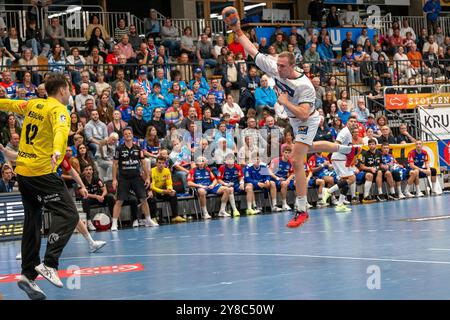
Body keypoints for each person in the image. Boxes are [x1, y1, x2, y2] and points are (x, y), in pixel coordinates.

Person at [223, 7, 360, 227]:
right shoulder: (276, 68)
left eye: (282, 66)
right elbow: (252, 51)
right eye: (277, 64)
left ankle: (302, 209)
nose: (278, 69)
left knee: (297, 159)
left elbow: (304, 113)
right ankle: (345, 149)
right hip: (295, 120)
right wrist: (238, 31)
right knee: (310, 147)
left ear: (292, 66)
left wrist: (285, 102)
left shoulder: (304, 86)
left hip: (307, 119)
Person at [0, 74, 86, 299]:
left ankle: (27, 275)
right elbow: (60, 132)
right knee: (69, 215)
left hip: (24, 173)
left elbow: (9, 103)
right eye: (69, 90)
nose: (70, 94)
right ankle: (49, 263)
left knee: (32, 221)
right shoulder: (59, 110)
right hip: (41, 172)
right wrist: (58, 150)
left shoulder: (34, 103)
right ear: (62, 90)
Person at [111, 127, 158, 231]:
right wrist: (114, 179)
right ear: (123, 136)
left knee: (143, 199)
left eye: (129, 133)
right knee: (119, 201)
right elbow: (114, 165)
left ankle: (148, 219)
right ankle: (114, 223)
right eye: (126, 134)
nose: (128, 135)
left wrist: (147, 178)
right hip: (124, 178)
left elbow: (143, 163)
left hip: (136, 177)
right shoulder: (119, 149)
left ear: (132, 135)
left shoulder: (138, 148)